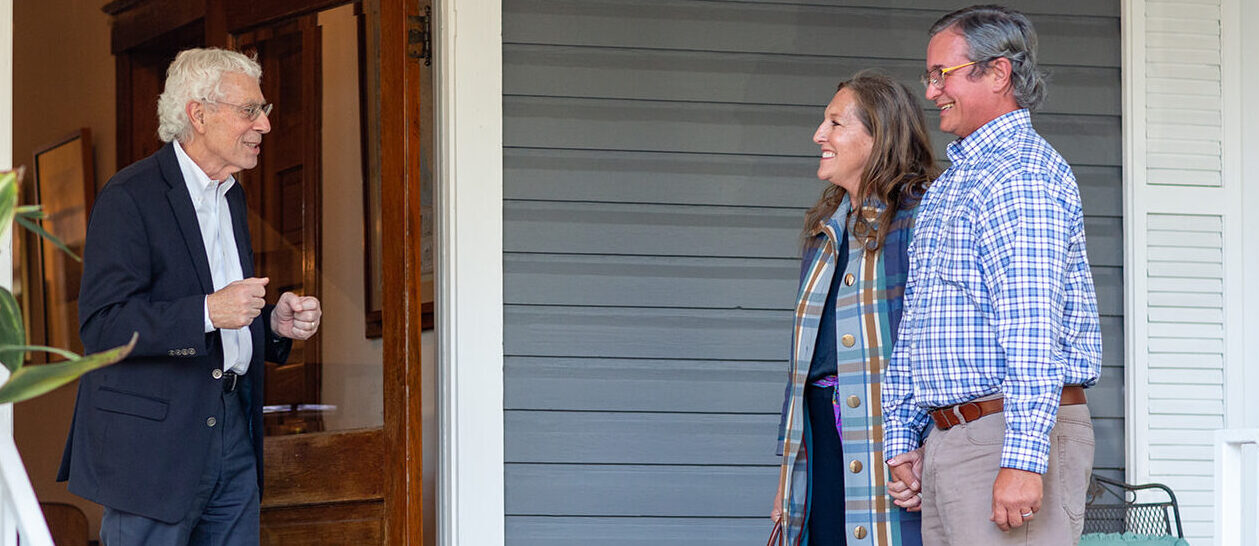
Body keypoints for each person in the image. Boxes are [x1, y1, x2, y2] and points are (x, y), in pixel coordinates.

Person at [57, 48, 322, 545]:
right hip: (151, 449)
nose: (264, 125)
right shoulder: (130, 195)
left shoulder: (232, 196)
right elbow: (103, 326)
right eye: (250, 110)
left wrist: (271, 324)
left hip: (232, 430)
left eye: (263, 109)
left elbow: (225, 312)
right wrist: (208, 311)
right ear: (198, 114)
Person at [881, 5, 1103, 545]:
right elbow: (920, 322)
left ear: (998, 72)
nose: (931, 91)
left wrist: (1023, 460)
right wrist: (905, 436)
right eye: (929, 76)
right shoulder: (955, 182)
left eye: (943, 74)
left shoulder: (1019, 175)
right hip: (954, 438)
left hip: (1005, 435)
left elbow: (1032, 326)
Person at [772, 71, 939, 546]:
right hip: (820, 434)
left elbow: (938, 345)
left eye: (835, 123)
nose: (818, 135)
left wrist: (929, 448)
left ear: (878, 134)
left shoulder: (921, 219)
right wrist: (788, 483)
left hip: (892, 440)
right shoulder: (826, 230)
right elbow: (805, 364)